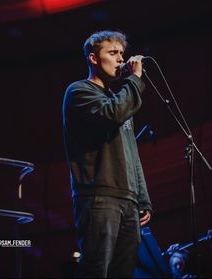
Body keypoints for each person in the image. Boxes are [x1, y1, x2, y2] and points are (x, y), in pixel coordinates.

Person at [62, 30, 152, 278]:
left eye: (121, 54)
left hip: (128, 199)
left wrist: (142, 197)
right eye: (112, 53)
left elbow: (131, 152)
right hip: (99, 198)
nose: (121, 59)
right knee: (96, 271)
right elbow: (111, 114)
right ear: (93, 58)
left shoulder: (118, 98)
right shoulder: (79, 91)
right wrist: (134, 80)